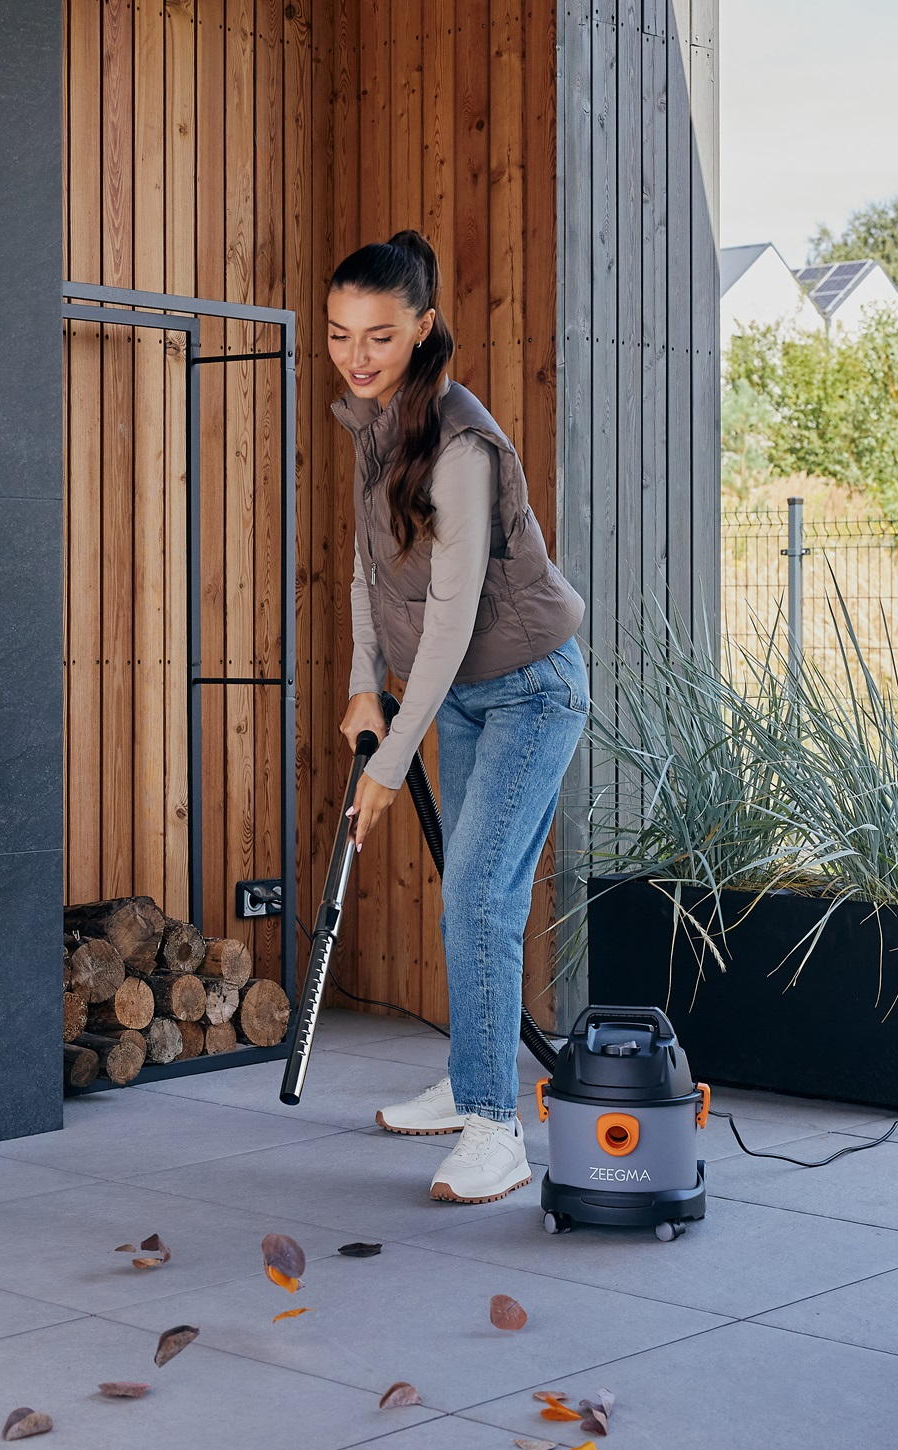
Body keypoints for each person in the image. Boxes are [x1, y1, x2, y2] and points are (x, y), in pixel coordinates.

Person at [326, 230, 589, 1204]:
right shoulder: (374, 423)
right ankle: (472, 1080)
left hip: (528, 690)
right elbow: (365, 570)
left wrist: (391, 760)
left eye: (379, 337)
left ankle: (495, 1129)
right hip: (472, 696)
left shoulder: (461, 445)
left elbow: (445, 617)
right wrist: (362, 682)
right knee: (473, 896)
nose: (356, 356)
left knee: (476, 893)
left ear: (423, 329)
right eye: (339, 333)